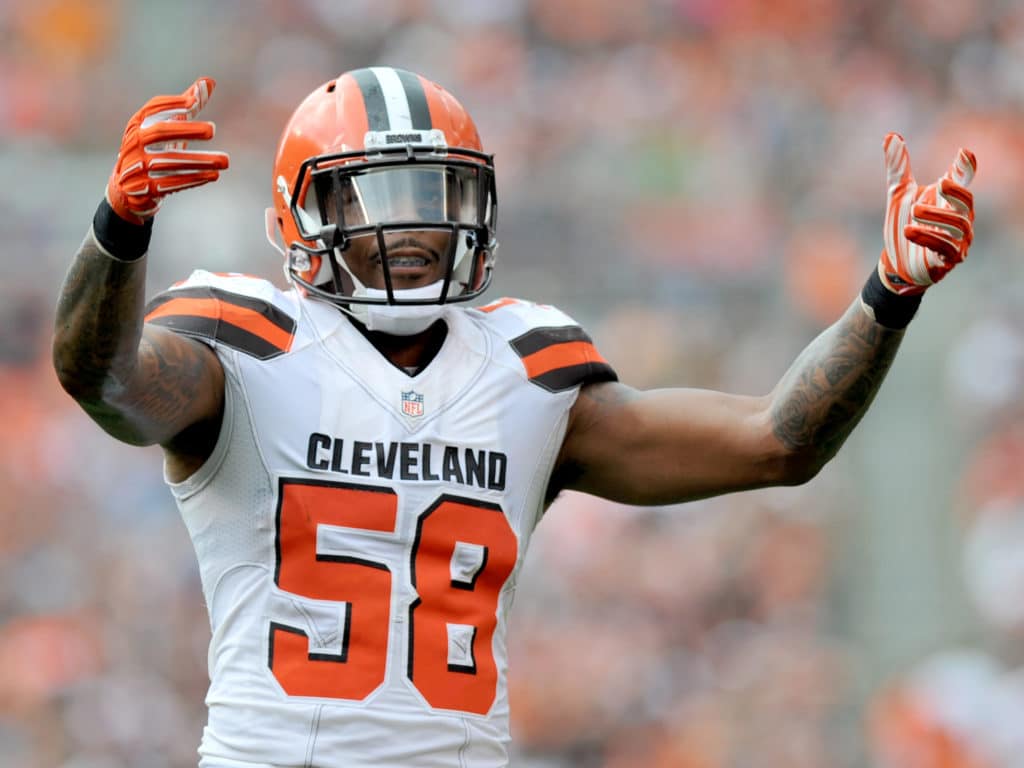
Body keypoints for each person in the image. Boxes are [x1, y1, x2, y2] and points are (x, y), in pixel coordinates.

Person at [52, 67, 976, 767]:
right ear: (297, 216)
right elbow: (105, 379)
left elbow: (777, 442)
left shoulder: (525, 369)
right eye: (372, 196)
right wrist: (118, 231)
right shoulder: (247, 341)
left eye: (434, 195)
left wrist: (886, 296)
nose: (411, 228)